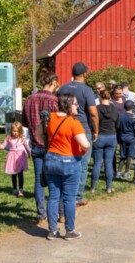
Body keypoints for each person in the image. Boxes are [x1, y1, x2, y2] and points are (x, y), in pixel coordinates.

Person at [43, 93, 90, 241]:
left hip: (51, 159)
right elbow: (85, 144)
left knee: (53, 197)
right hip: (69, 161)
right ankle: (69, 230)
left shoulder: (50, 118)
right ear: (68, 105)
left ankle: (52, 231)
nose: (77, 106)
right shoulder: (73, 123)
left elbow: (39, 134)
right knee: (69, 198)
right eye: (75, 104)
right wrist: (84, 149)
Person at [57, 62, 98, 208]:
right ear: (84, 74)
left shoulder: (62, 88)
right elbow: (93, 113)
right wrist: (96, 130)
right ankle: (77, 196)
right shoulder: (87, 90)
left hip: (65, 127)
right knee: (83, 163)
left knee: (66, 160)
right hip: (83, 128)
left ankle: (64, 194)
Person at [22, 69, 60, 225]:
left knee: (39, 181)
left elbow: (24, 122)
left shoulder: (29, 99)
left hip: (36, 145)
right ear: (53, 84)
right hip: (52, 145)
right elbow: (59, 121)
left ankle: (41, 215)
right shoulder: (54, 100)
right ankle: (59, 213)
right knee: (56, 181)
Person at [90, 90, 120, 193]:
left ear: (99, 97)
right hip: (111, 136)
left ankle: (93, 187)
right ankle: (108, 187)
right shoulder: (114, 109)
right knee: (109, 163)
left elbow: (92, 121)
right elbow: (118, 124)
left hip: (99, 136)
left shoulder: (97, 109)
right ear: (109, 98)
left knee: (97, 163)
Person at [0, 121, 31, 197]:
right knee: (13, 173)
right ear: (11, 131)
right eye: (14, 131)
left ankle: (20, 189)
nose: (15, 133)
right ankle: (14, 188)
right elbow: (3, 146)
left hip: (20, 156)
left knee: (20, 173)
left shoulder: (22, 138)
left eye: (17, 131)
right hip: (12, 156)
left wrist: (29, 153)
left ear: (20, 131)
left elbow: (26, 146)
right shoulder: (9, 137)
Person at [117, 100, 135, 179]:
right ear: (132, 107)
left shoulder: (120, 116)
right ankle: (126, 172)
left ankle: (119, 172)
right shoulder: (133, 117)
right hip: (131, 138)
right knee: (130, 155)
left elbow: (118, 127)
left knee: (122, 155)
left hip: (122, 137)